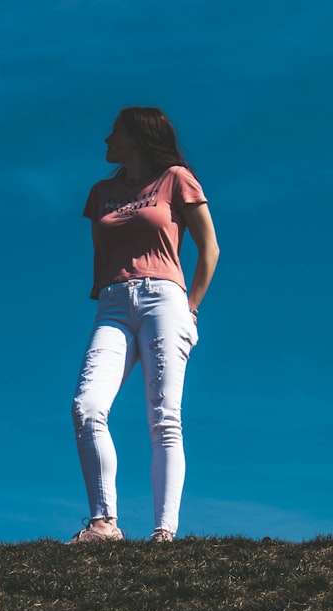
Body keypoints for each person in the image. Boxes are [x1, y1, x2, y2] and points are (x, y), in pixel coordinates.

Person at [68, 107, 219, 544]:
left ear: (137, 136)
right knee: (87, 407)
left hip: (164, 299)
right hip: (113, 303)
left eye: (114, 131)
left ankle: (163, 533)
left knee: (164, 418)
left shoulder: (175, 178)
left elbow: (210, 248)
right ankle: (102, 524)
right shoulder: (102, 192)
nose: (106, 139)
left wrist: (191, 308)